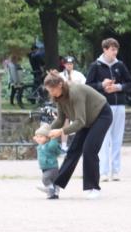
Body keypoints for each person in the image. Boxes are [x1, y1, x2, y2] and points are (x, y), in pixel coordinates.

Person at [40, 71, 112, 199]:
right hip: (87, 120)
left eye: (51, 90)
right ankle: (55, 186)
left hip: (102, 115)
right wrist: (45, 133)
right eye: (48, 90)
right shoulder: (59, 97)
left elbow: (80, 121)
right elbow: (60, 120)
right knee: (73, 151)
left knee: (89, 150)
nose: (50, 93)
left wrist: (61, 131)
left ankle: (93, 187)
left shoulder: (75, 93)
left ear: (60, 85)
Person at [87, 38, 131, 182]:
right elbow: (88, 85)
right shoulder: (95, 65)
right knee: (104, 138)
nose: (115, 52)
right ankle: (103, 171)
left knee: (117, 137)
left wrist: (118, 87)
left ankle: (115, 170)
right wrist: (102, 85)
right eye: (112, 49)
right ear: (105, 49)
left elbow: (130, 83)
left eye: (116, 49)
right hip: (102, 106)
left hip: (119, 104)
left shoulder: (120, 65)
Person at [33, 124, 63, 199]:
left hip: (52, 167)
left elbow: (53, 145)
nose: (39, 139)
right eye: (37, 137)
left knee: (45, 178)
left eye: (41, 137)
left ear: (47, 138)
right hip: (45, 167)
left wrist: (53, 138)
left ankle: (50, 189)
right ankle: (54, 193)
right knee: (53, 181)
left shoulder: (49, 145)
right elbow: (39, 141)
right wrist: (37, 138)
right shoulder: (40, 146)